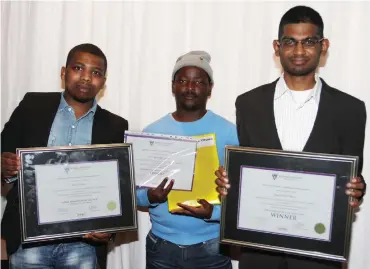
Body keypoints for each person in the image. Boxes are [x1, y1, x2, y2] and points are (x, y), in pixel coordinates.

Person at [215, 5, 366, 269]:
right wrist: (230, 182)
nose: (299, 51)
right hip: (259, 253)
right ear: (277, 47)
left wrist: (357, 188)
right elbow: (246, 172)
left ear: (323, 45)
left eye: (308, 42)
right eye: (290, 42)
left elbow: (353, 175)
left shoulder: (350, 109)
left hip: (318, 255)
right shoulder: (249, 104)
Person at [1, 43, 128, 269]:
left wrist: (109, 230)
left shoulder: (115, 126)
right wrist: (5, 166)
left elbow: (117, 188)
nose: (86, 78)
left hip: (83, 245)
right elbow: (3, 151)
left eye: (96, 73)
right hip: (29, 240)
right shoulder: (33, 105)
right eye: (78, 68)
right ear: (63, 72)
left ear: (103, 82)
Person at [136, 51, 238, 269]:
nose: (190, 88)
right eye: (183, 81)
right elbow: (135, 195)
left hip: (211, 247)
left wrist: (214, 213)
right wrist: (151, 196)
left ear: (210, 88)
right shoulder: (152, 133)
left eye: (198, 82)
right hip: (161, 247)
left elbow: (242, 194)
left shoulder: (229, 133)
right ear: (173, 86)